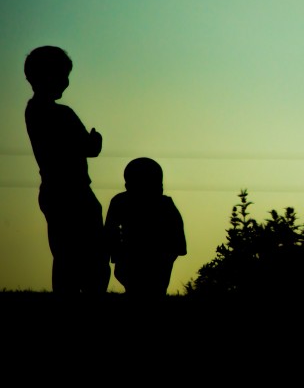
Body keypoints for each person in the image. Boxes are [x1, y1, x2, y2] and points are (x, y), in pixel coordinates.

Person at [24, 45, 110, 295]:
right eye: (63, 75)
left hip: (52, 191)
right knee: (94, 254)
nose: (66, 82)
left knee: (64, 255)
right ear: (49, 77)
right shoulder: (62, 114)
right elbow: (88, 148)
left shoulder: (32, 111)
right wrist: (96, 141)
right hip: (75, 192)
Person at [106, 157, 186, 299]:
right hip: (135, 260)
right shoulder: (121, 202)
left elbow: (177, 244)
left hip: (155, 260)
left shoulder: (121, 202)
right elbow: (109, 234)